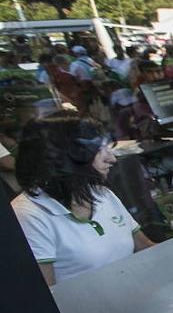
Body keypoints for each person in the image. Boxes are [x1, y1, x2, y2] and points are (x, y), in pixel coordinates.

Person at [12, 113, 153, 285]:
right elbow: (46, 297)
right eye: (98, 150)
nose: (112, 159)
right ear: (65, 157)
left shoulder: (101, 194)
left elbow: (145, 247)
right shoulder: (29, 215)